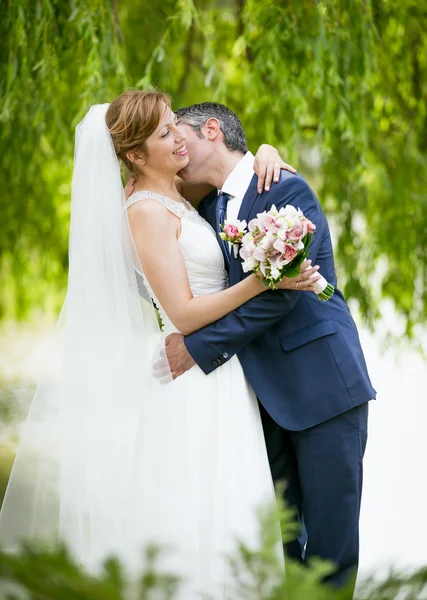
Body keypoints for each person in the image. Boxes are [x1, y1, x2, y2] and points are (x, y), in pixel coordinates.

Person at [0, 91, 318, 599]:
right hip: (195, 384)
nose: (179, 140)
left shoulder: (180, 194)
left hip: (226, 374)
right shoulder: (145, 210)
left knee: (236, 508)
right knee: (197, 514)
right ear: (135, 156)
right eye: (166, 134)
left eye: (176, 126)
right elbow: (184, 312)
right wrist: (264, 280)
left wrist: (265, 151)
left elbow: (232, 179)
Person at [159, 102, 377, 593]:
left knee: (329, 551)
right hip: (259, 401)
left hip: (323, 389)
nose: (174, 147)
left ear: (211, 130)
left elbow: (276, 298)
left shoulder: (285, 188)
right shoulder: (208, 209)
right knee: (277, 545)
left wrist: (197, 348)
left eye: (179, 135)